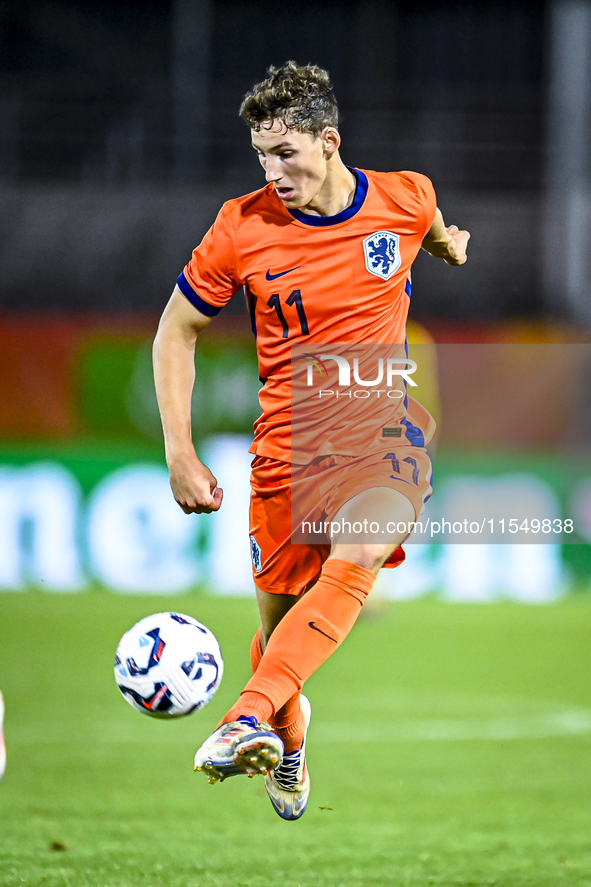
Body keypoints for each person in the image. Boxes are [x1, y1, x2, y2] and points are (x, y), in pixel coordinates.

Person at [153, 61, 469, 821]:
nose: (273, 170)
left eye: (286, 153)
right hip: (286, 455)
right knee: (278, 642)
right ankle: (287, 737)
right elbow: (177, 329)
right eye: (262, 154)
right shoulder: (241, 226)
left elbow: (427, 226)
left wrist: (446, 246)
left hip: (380, 430)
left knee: (360, 549)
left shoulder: (403, 194)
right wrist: (179, 449)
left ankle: (241, 719)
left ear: (329, 142)